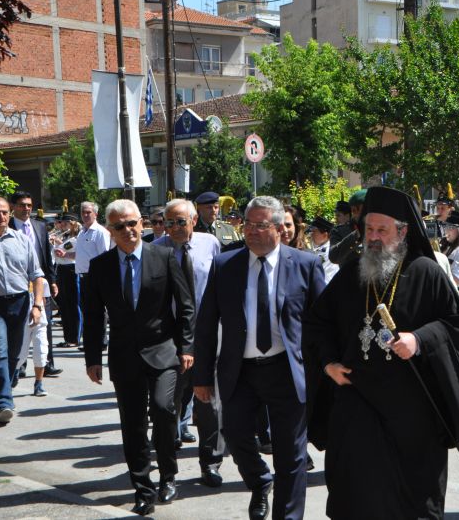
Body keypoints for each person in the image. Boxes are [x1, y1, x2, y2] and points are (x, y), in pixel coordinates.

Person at [303, 186, 459, 520]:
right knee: (355, 498)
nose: (373, 237)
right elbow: (316, 324)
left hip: (411, 411)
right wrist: (327, 363)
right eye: (369, 229)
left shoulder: (426, 272)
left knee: (410, 503)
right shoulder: (351, 272)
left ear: (402, 232)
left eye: (382, 230)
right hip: (356, 407)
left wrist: (420, 339)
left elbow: (458, 329)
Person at [193, 196, 325, 520]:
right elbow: (207, 322)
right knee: (236, 437)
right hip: (240, 371)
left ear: (280, 229)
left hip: (286, 369)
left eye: (261, 225)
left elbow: (323, 324)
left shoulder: (305, 265)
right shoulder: (226, 265)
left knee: (291, 455)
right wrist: (200, 376)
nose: (251, 231)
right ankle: (259, 480)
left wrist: (325, 370)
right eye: (247, 224)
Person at [83, 199, 195, 516]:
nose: (128, 230)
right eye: (120, 226)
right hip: (124, 355)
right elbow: (92, 316)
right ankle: (143, 488)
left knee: (163, 410)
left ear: (142, 224)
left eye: (133, 223)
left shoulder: (165, 256)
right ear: (110, 230)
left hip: (164, 351)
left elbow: (186, 305)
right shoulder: (101, 266)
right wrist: (92, 358)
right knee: (132, 425)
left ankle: (168, 475)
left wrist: (187, 346)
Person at [154, 199, 224, 487]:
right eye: (168, 222)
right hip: (170, 337)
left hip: (206, 334)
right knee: (167, 403)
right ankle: (167, 470)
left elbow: (220, 285)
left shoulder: (211, 244)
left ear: (194, 220)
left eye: (180, 221)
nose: (174, 228)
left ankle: (210, 463)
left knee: (208, 403)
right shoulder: (156, 249)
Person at [0, 196, 45, 425]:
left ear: (9, 213)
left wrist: (37, 305)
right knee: (0, 349)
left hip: (19, 302)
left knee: (15, 353)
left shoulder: (22, 240)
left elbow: (36, 275)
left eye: (4, 212)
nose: (1, 217)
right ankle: (5, 402)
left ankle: (7, 381)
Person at [9, 191, 61, 378]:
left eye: (29, 205)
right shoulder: (7, 227)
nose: (26, 209)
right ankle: (19, 364)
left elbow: (48, 257)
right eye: (22, 205)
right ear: (13, 207)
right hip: (17, 284)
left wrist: (53, 281)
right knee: (20, 325)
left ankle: (47, 363)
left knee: (44, 323)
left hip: (41, 284)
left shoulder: (39, 227)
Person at [66, 202, 111, 349]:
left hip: (95, 276)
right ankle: (91, 340)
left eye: (88, 212)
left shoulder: (100, 232)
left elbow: (104, 255)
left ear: (95, 214)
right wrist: (66, 254)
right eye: (83, 212)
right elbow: (81, 254)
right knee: (88, 311)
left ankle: (101, 341)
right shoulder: (82, 232)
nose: (85, 215)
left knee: (98, 310)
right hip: (83, 276)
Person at [51, 213, 81, 347]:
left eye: (66, 223)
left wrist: (58, 244)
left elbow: (63, 250)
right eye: (62, 223)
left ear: (73, 223)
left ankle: (75, 337)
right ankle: (68, 337)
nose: (62, 225)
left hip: (71, 270)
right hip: (62, 269)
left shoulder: (76, 238)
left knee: (73, 304)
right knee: (64, 305)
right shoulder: (65, 236)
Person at [329, 189, 367, 267]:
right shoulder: (339, 231)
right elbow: (334, 257)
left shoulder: (380, 230)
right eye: (353, 211)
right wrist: (357, 235)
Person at [307, 216, 339, 284]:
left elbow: (326, 280)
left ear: (324, 235)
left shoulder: (330, 253)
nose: (311, 234)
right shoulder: (314, 248)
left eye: (314, 231)